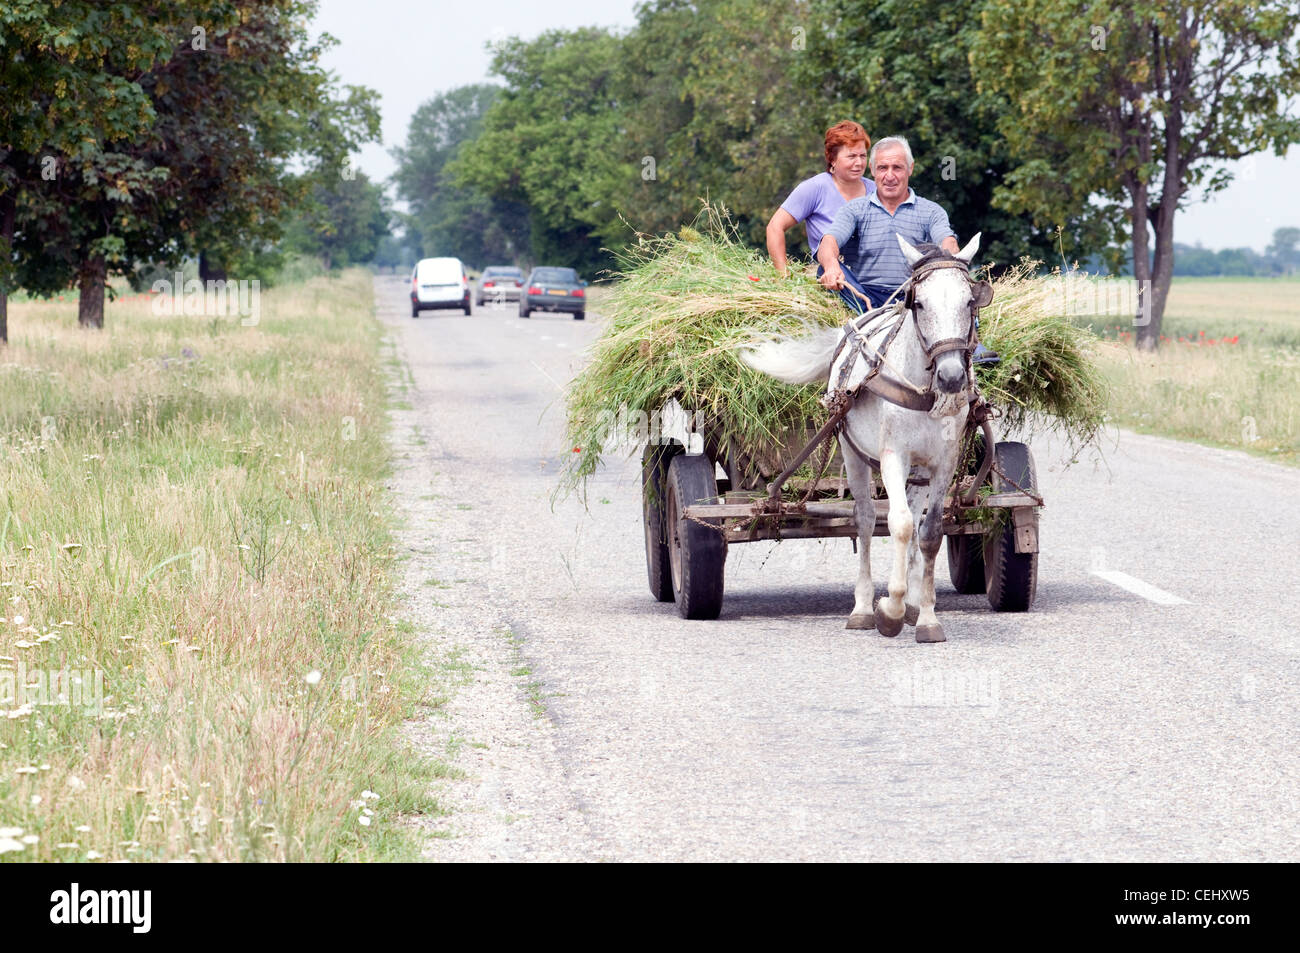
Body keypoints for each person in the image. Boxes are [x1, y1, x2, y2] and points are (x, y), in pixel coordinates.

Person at [818, 135, 997, 362]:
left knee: (953, 282)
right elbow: (829, 241)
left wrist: (952, 261)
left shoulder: (931, 211)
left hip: (914, 297)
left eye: (897, 168)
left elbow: (947, 240)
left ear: (910, 169)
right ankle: (872, 327)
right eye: (883, 168)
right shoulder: (855, 210)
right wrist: (831, 265)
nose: (889, 176)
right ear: (872, 170)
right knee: (823, 269)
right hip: (865, 299)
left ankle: (971, 343)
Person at [766, 120, 876, 277]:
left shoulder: (877, 191)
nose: (859, 163)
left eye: (863, 156)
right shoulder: (815, 188)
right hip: (830, 278)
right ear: (832, 159)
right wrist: (783, 276)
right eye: (851, 156)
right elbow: (774, 227)